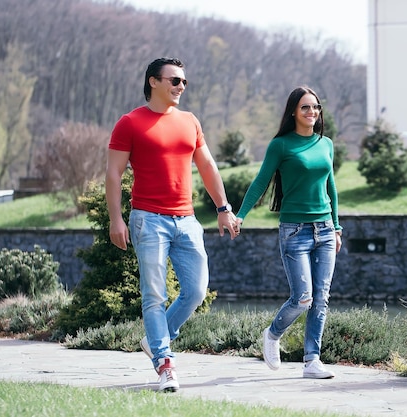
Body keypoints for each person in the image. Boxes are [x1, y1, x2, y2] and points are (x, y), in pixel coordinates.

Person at [106, 57, 239, 392]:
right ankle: (165, 362)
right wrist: (116, 218)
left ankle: (158, 337)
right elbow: (113, 172)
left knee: (195, 291)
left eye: (184, 82)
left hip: (187, 220)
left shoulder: (190, 121)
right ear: (154, 82)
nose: (181, 86)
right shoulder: (130, 122)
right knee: (154, 294)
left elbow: (207, 165)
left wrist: (223, 208)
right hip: (148, 220)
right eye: (174, 81)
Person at [235, 86, 342, 379]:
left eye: (316, 107)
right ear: (293, 111)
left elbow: (331, 187)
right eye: (306, 107)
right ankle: (273, 334)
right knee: (303, 297)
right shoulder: (281, 145)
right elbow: (260, 182)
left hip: (324, 229)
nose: (312, 113)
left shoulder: (326, 144)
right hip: (295, 231)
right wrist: (240, 216)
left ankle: (312, 361)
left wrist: (336, 226)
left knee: (322, 297)